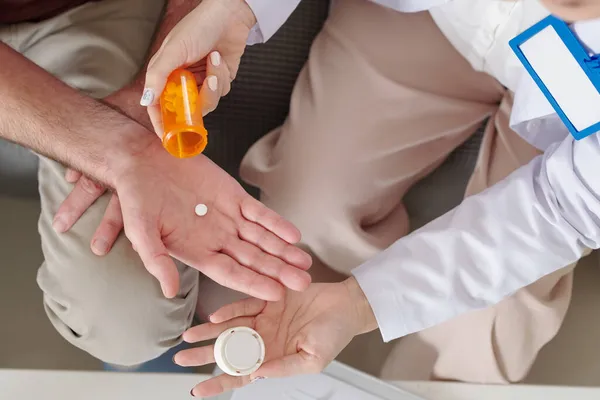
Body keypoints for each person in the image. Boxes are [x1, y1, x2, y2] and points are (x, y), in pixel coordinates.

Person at [72, 0, 600, 396]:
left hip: (576, 118)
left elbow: (561, 209)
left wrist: (361, 304)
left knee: (492, 322)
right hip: (431, 15)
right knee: (309, 207)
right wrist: (238, 7)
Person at [0, 0, 312, 367]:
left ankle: (173, 347)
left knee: (127, 316)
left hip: (91, 12)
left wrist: (158, 79)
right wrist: (111, 142)